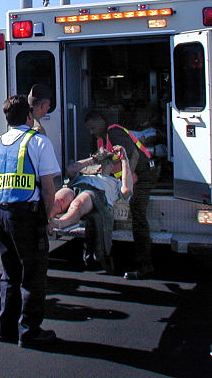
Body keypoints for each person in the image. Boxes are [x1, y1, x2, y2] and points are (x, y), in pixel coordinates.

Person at [0, 94, 60, 348]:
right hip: (27, 214)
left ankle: (6, 329)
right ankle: (30, 331)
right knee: (33, 273)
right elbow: (49, 187)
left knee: (9, 274)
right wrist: (48, 218)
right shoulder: (37, 141)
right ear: (29, 117)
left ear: (7, 118)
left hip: (0, 211)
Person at [83, 110, 156, 280]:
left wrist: (126, 182)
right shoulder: (101, 139)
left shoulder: (114, 132)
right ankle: (94, 255)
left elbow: (133, 155)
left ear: (101, 121)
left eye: (93, 127)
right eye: (89, 129)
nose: (92, 132)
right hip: (131, 178)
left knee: (138, 215)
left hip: (143, 176)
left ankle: (145, 266)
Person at [49, 146, 135, 273]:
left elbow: (127, 190)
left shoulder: (114, 182)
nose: (104, 164)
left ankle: (59, 223)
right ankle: (44, 218)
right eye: (103, 162)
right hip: (77, 186)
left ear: (111, 167)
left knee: (78, 203)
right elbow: (70, 169)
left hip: (96, 195)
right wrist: (93, 159)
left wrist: (124, 160)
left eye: (108, 163)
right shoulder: (84, 174)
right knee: (59, 198)